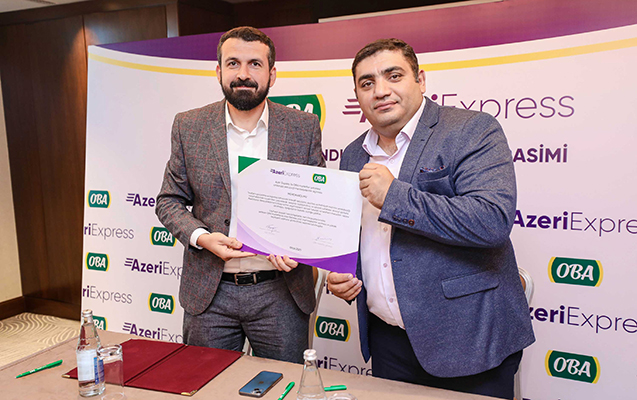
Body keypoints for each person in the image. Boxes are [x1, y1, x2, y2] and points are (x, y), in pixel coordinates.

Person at [327, 38, 535, 399]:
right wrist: (345, 275)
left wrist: (394, 196)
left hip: (467, 338)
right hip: (388, 340)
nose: (381, 91)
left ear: (420, 80)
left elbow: (492, 220)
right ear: (357, 95)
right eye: (367, 83)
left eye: (394, 76)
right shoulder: (352, 154)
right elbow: (365, 239)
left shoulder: (471, 130)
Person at [156, 26, 325, 363]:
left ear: (272, 74)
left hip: (281, 291)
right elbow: (169, 201)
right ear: (218, 71)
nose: (243, 74)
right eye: (233, 63)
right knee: (205, 383)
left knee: (283, 384)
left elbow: (316, 203)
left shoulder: (302, 127)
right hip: (210, 292)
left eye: (255, 64)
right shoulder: (189, 126)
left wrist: (297, 246)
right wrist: (203, 237)